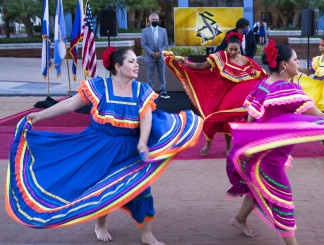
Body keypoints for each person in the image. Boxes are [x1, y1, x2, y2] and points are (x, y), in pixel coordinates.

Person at [6, 47, 203, 244]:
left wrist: (143, 143)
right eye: (132, 61)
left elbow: (146, 119)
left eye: (136, 61)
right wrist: (40, 115)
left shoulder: (142, 90)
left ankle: (147, 235)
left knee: (142, 189)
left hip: (130, 148)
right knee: (100, 188)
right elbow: (69, 105)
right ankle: (100, 224)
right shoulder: (99, 86)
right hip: (99, 147)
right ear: (118, 66)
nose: (136, 65)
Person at [226, 41, 324, 244]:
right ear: (285, 65)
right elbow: (320, 116)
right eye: (295, 60)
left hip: (256, 150)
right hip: (269, 157)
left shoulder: (264, 83)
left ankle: (239, 219)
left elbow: (251, 119)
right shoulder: (288, 89)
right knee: (281, 198)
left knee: (256, 187)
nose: (298, 63)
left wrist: (247, 145)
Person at [165, 32, 268, 155]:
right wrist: (186, 63)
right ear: (227, 47)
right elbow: (201, 67)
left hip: (232, 96)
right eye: (231, 49)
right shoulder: (220, 56)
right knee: (210, 119)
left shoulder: (246, 61)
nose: (233, 52)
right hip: (216, 92)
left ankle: (228, 146)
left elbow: (261, 75)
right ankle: (208, 143)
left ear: (240, 47)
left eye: (236, 50)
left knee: (228, 118)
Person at [141, 13, 169, 98]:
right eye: (153, 19)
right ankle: (150, 92)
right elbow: (143, 44)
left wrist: (160, 52)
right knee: (150, 75)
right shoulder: (145, 31)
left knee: (162, 74)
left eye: (156, 19)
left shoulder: (163, 30)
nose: (155, 21)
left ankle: (163, 91)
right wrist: (151, 53)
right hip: (150, 57)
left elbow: (165, 43)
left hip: (160, 57)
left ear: (159, 20)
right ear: (149, 21)